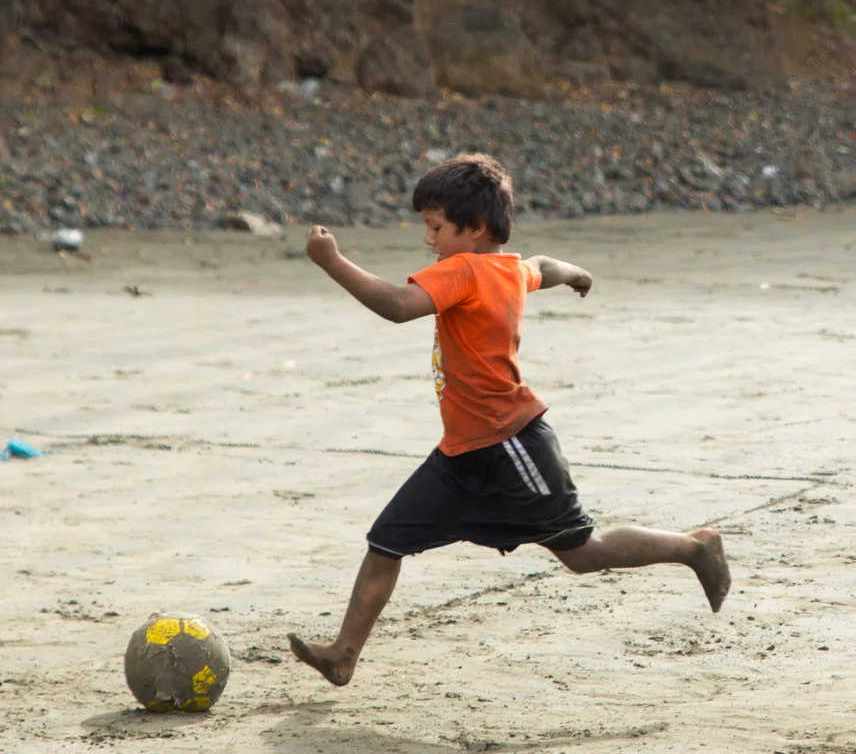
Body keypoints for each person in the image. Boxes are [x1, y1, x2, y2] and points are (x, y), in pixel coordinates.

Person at [287, 153, 731, 687]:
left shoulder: (466, 269)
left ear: (474, 230)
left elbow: (400, 306)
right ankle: (343, 655)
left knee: (582, 552)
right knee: (386, 541)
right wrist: (577, 274)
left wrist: (330, 260)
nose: (429, 241)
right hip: (460, 452)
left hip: (511, 444)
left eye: (436, 228)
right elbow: (541, 266)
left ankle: (694, 547)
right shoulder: (506, 268)